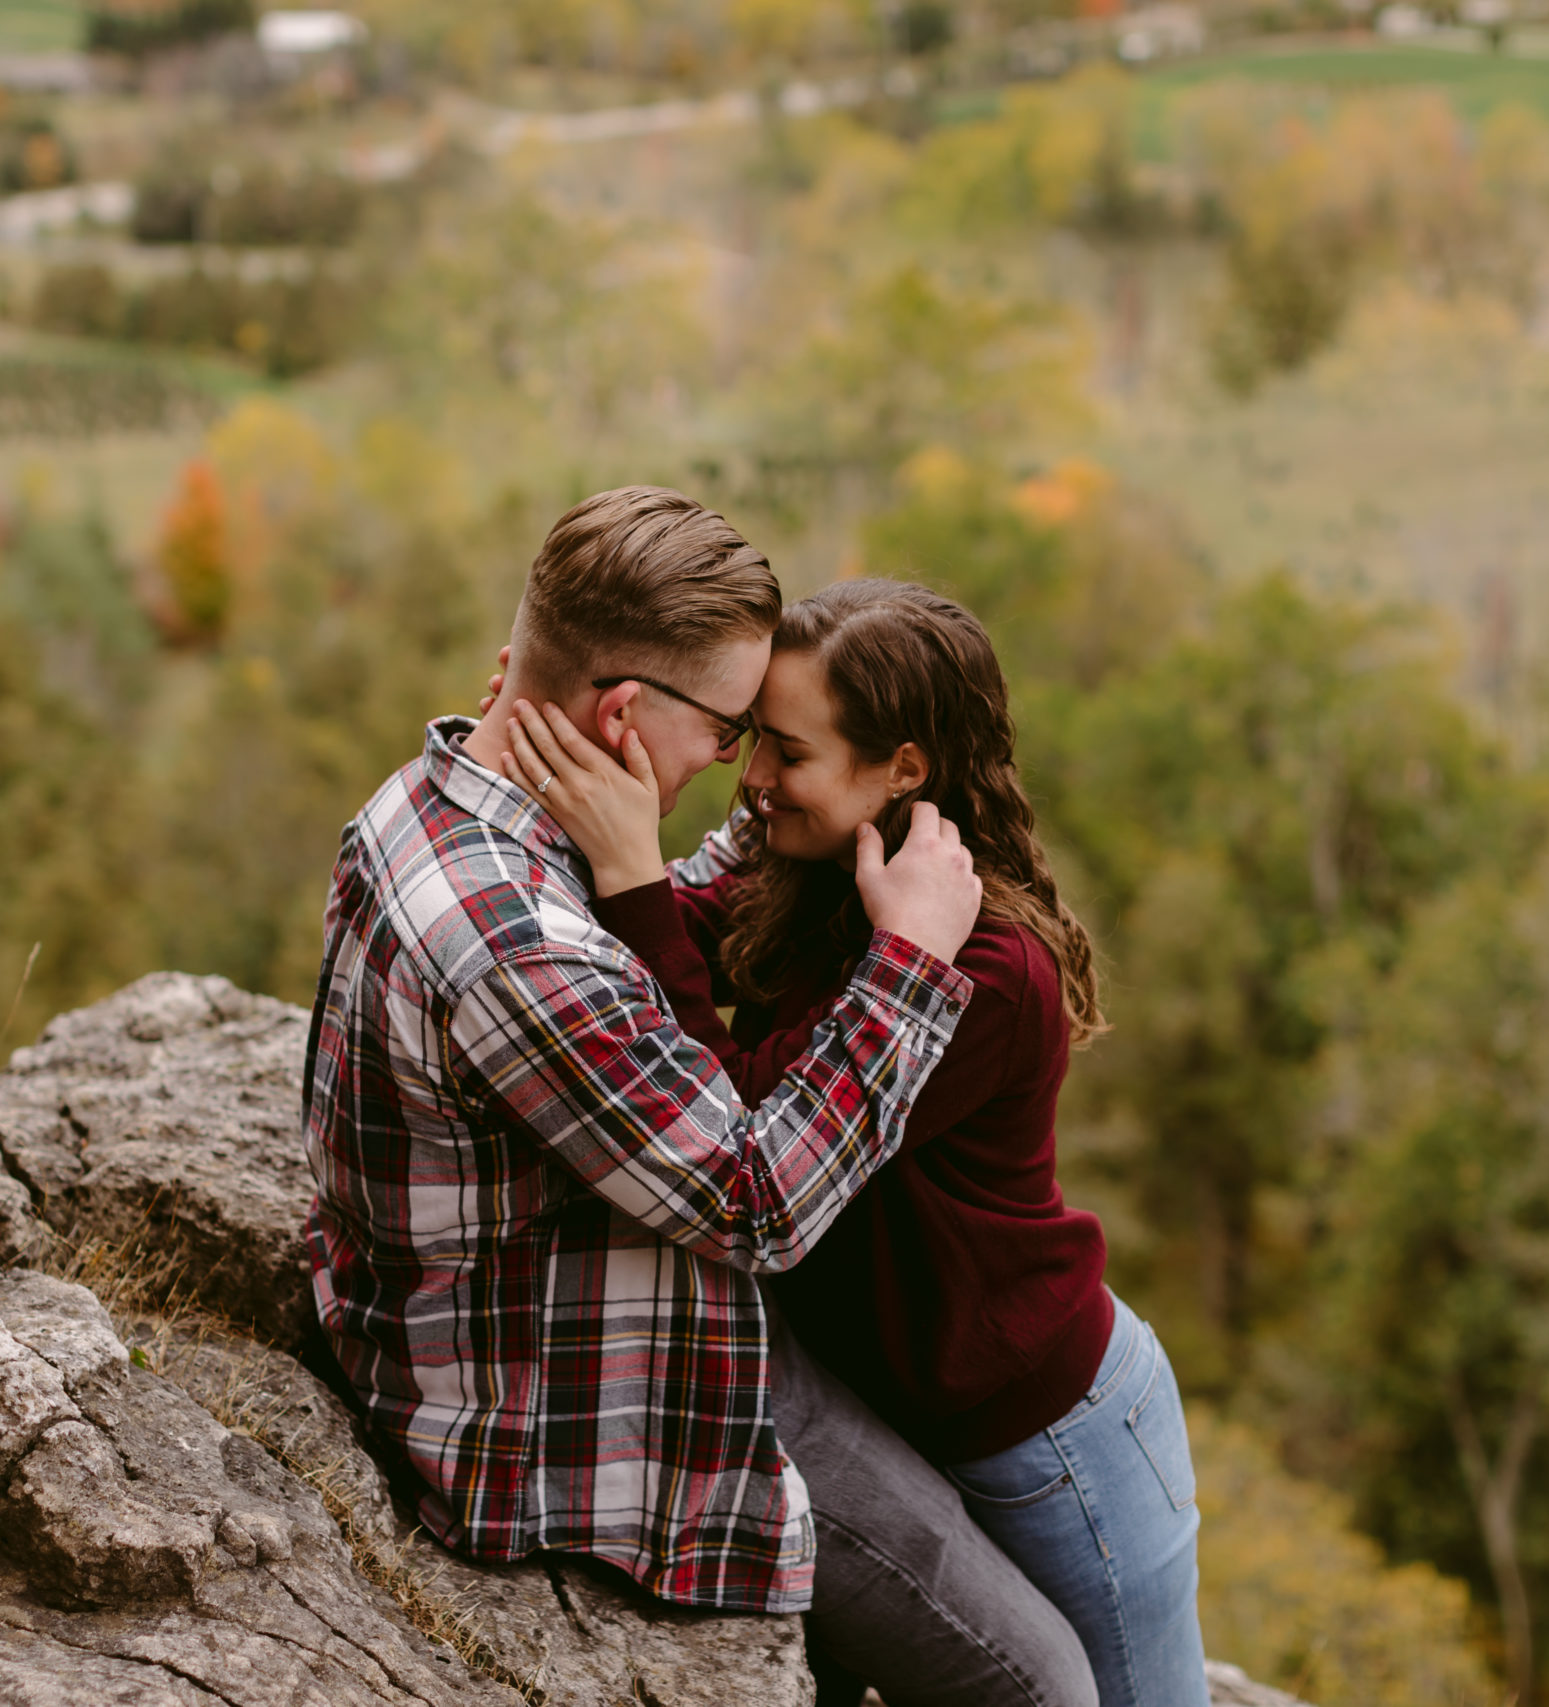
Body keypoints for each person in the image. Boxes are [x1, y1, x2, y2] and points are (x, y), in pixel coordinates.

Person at [302, 487, 1100, 1707]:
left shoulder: (432, 802)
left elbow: (658, 942)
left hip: (535, 1307)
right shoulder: (519, 947)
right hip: (562, 1386)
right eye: (732, 732)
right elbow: (756, 1203)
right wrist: (906, 969)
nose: (735, 772)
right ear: (621, 713)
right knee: (1042, 1684)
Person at [498, 576, 1213, 1707]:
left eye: (787, 751)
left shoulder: (986, 973)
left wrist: (634, 869)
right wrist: (597, 772)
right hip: (900, 1412)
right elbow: (666, 946)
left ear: (905, 769)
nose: (754, 777)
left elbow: (732, 1120)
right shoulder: (805, 865)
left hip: (1053, 1445)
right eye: (751, 743)